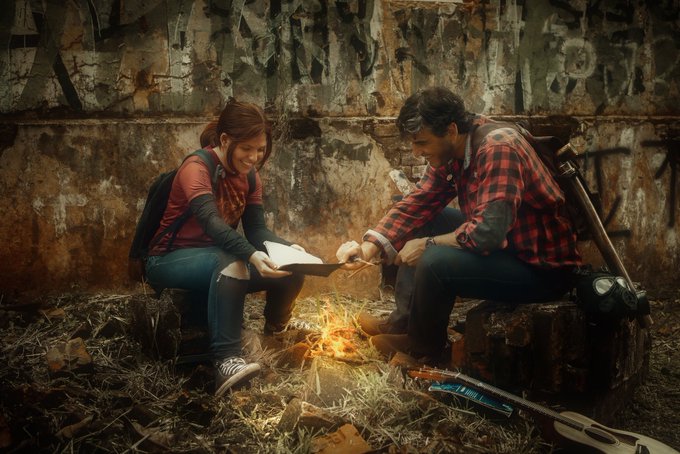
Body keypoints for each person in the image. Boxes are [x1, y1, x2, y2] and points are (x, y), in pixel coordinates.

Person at [336, 87, 582, 363]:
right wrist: (369, 247)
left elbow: (487, 233)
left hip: (539, 269)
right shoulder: (455, 148)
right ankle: (404, 324)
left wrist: (428, 245)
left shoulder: (499, 148)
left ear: (451, 130)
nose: (416, 152)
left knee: (434, 260)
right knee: (426, 220)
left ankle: (423, 348)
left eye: (422, 143)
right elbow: (419, 202)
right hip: (508, 244)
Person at [145, 100, 305, 396]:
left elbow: (256, 231)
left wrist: (290, 250)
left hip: (220, 261)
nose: (254, 157)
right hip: (168, 261)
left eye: (260, 150)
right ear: (224, 140)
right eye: (247, 149)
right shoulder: (196, 168)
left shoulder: (250, 176)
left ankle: (276, 331)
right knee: (232, 259)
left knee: (292, 265)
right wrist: (251, 255)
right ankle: (227, 360)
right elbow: (211, 223)